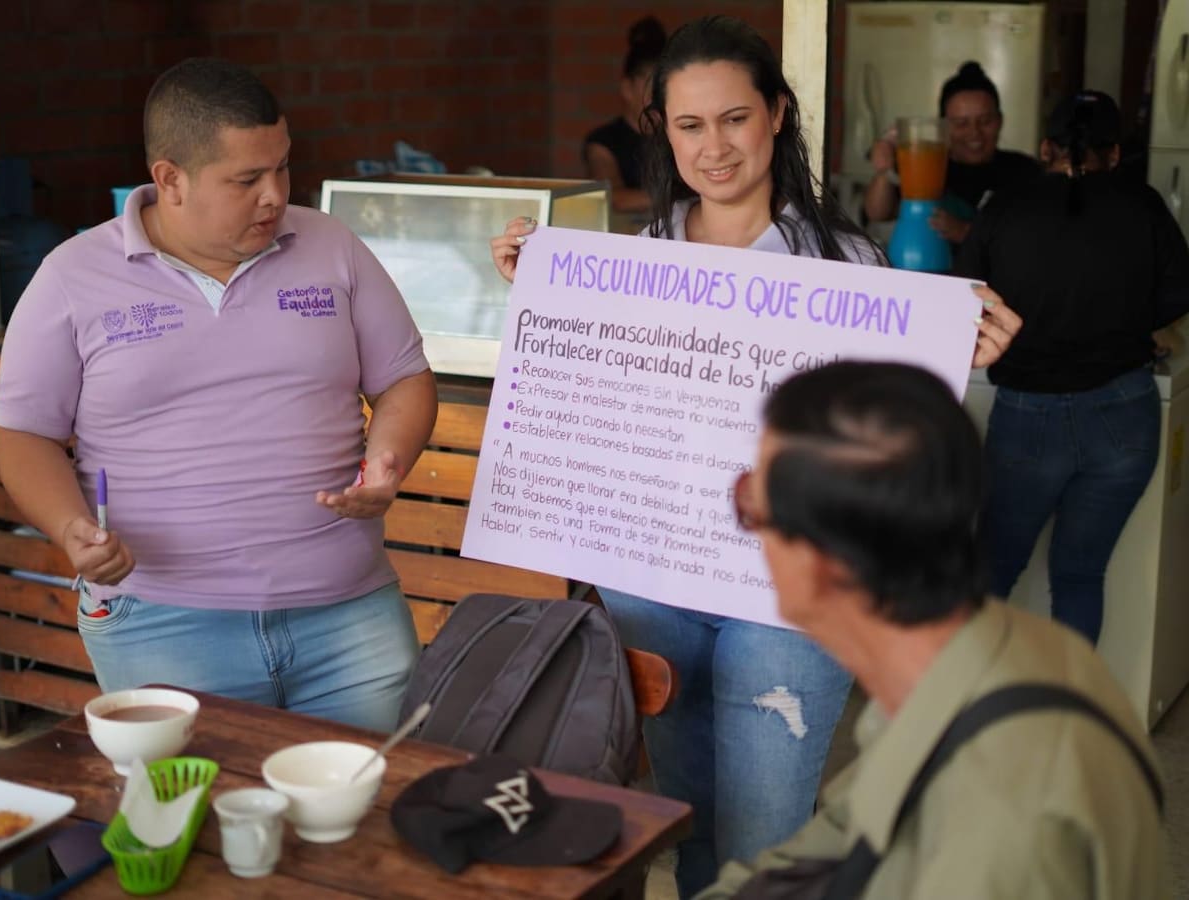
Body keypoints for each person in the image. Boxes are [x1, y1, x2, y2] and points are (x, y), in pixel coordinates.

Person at [491, 17, 1021, 897]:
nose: (715, 147)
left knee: (765, 843)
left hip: (788, 597)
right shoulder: (634, 258)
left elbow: (885, 444)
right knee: (685, 821)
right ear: (663, 130)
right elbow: (600, 408)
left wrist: (951, 360)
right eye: (690, 125)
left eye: (735, 118)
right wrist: (539, 294)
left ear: (778, 113)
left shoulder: (852, 262)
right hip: (654, 575)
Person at [0, 58, 438, 732]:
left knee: (377, 815)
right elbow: (24, 433)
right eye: (246, 179)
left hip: (349, 615)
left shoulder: (332, 247)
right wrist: (69, 527)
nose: (274, 195)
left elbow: (404, 376)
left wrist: (389, 461)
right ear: (170, 179)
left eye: (282, 167)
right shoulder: (71, 277)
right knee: (200, 823)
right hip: (161, 624)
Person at [698, 360, 1167, 900]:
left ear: (822, 560)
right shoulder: (972, 660)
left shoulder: (1003, 819)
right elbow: (829, 848)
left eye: (752, 506)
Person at [955, 90, 1189, 645]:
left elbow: (963, 291)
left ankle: (965, 711)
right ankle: (1066, 720)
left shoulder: (1007, 205)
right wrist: (1131, 322)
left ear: (1044, 148)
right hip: (1126, 416)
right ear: (1113, 156)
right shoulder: (1144, 202)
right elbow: (1181, 290)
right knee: (1082, 577)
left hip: (1028, 419)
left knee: (991, 577)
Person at [863, 61, 1040, 250]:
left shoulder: (1024, 171)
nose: (974, 133)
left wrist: (966, 232)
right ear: (943, 127)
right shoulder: (926, 165)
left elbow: (1037, 238)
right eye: (961, 123)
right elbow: (878, 213)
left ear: (1000, 121)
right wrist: (884, 171)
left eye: (985, 121)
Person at [582, 15, 665, 219]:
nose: (661, 97)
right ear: (627, 88)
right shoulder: (603, 141)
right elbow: (613, 196)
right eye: (653, 87)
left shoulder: (677, 135)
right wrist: (681, 197)